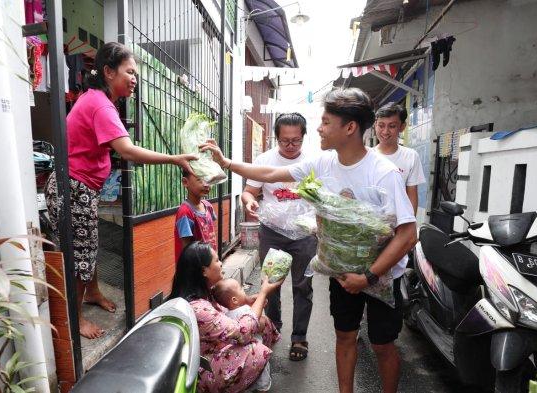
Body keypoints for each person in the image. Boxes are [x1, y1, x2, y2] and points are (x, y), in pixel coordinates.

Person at [200, 88, 418, 393]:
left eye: (326, 122)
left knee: (383, 346)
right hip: (342, 276)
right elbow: (271, 172)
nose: (319, 128)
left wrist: (368, 276)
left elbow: (407, 234)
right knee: (344, 337)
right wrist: (227, 163)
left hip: (380, 276)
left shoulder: (384, 173)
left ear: (350, 127)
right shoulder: (325, 164)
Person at [45, 42, 196, 339]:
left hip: (75, 186)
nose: (135, 78)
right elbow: (127, 151)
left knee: (88, 246)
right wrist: (174, 158)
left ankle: (93, 292)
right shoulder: (100, 104)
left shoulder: (96, 100)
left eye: (136, 73)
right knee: (80, 257)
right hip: (72, 188)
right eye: (129, 71)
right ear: (108, 71)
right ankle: (75, 322)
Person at [241, 112, 316, 361]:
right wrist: (250, 202)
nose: (290, 146)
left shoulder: (314, 161)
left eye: (296, 141)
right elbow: (249, 192)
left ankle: (299, 337)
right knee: (270, 285)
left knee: (302, 286)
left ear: (303, 137)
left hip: (305, 233)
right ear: (276, 138)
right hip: (272, 232)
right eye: (285, 141)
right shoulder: (265, 160)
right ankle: (273, 328)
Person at [169, 242, 282, 393]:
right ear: (204, 271)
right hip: (203, 369)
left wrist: (247, 300)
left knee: (261, 321)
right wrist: (263, 293)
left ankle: (255, 375)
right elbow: (241, 333)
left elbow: (228, 312)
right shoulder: (198, 308)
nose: (221, 263)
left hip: (212, 350)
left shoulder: (205, 293)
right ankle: (254, 382)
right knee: (256, 350)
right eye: (216, 260)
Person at [212, 278, 272, 391]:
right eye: (240, 288)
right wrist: (261, 299)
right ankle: (264, 387)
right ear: (234, 300)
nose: (243, 290)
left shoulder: (225, 314)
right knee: (262, 371)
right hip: (255, 350)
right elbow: (259, 323)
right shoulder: (245, 310)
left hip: (240, 352)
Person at [373, 103, 426, 215]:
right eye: (381, 125)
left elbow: (412, 194)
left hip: (399, 222)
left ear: (402, 127)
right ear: (375, 125)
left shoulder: (411, 156)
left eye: (392, 126)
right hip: (370, 222)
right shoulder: (367, 156)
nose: (385, 131)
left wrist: (410, 224)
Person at [174, 170, 217, 262]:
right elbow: (186, 247)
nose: (206, 184)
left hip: (209, 262)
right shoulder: (185, 212)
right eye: (200, 179)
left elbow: (211, 233)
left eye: (208, 180)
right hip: (194, 267)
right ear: (185, 182)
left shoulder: (208, 206)